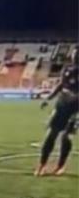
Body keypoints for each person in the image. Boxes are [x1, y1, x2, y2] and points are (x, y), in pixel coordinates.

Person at [35, 47, 78, 176]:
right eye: (73, 54)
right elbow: (60, 85)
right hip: (62, 106)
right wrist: (48, 99)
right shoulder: (67, 69)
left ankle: (60, 166)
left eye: (76, 54)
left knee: (66, 136)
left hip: (75, 108)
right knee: (52, 134)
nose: (73, 56)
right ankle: (42, 165)